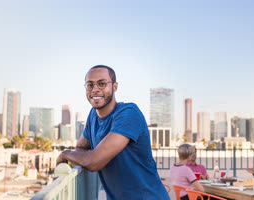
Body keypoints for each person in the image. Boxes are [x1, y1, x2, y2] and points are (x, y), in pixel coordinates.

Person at [56, 65, 170, 200]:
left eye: (102, 84)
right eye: (90, 85)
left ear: (114, 87)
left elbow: (94, 162)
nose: (95, 89)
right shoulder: (93, 116)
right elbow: (81, 148)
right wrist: (90, 156)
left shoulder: (128, 113)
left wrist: (65, 154)